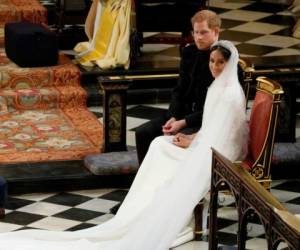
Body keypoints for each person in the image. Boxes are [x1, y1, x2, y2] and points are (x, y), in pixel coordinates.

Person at [0, 41, 248, 250]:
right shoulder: (217, 87)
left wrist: (192, 144)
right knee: (160, 145)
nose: (214, 66)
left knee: (162, 150)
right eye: (212, 61)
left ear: (230, 64)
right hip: (208, 142)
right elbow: (210, 127)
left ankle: (154, 213)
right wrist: (191, 139)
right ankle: (137, 210)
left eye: (220, 62)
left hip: (219, 153)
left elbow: (222, 135)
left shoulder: (229, 93)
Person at [135, 9, 220, 164]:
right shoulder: (189, 52)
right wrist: (174, 115)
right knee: (143, 133)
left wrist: (183, 122)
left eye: (204, 33)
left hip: (203, 122)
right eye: (195, 32)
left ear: (215, 32)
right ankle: (147, 181)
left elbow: (216, 108)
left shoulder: (221, 60)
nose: (198, 37)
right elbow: (179, 89)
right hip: (180, 115)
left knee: (169, 143)